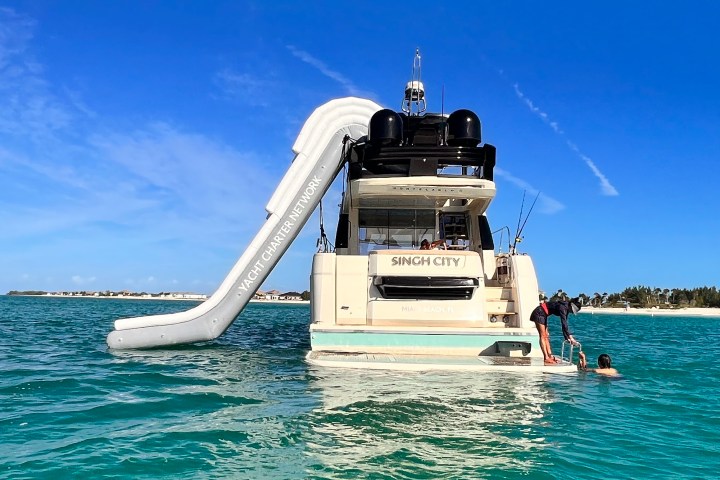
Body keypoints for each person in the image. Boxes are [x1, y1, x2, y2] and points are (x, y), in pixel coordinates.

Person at [530, 297, 581, 365]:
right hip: (539, 313)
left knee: (546, 336)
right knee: (542, 336)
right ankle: (546, 358)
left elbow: (565, 324)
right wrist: (569, 338)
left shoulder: (566, 308)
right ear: (571, 306)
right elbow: (564, 324)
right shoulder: (563, 308)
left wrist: (569, 337)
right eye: (572, 310)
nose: (572, 312)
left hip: (544, 314)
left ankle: (550, 356)